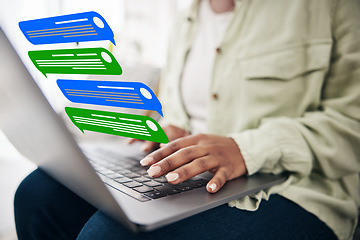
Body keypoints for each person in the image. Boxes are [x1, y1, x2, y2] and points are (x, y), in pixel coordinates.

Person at [14, 0, 360, 239]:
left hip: (293, 187)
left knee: (107, 235)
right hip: (196, 175)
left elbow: (351, 123)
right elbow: (189, 107)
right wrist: (175, 128)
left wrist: (244, 149)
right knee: (37, 195)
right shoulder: (188, 17)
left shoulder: (331, 8)